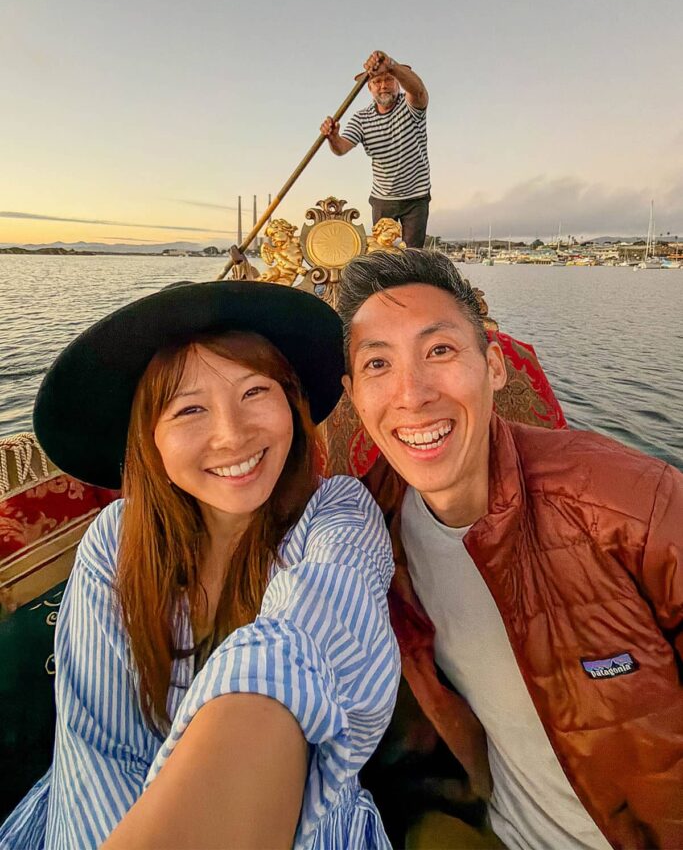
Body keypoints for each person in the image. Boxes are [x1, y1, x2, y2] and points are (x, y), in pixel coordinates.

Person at [0, 280, 399, 850]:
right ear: (150, 439)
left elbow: (307, 642)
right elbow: (98, 754)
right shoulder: (115, 543)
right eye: (189, 408)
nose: (231, 436)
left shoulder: (336, 518)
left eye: (255, 391)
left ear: (292, 403)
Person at [338, 249, 683, 850]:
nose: (411, 394)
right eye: (377, 364)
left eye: (439, 351)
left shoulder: (628, 504)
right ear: (353, 395)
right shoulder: (370, 532)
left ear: (494, 366)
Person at [320, 50, 431, 248]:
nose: (383, 86)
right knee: (380, 255)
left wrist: (391, 66)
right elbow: (341, 148)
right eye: (377, 82)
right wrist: (333, 137)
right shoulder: (361, 119)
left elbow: (419, 91)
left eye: (388, 80)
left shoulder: (410, 105)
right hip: (382, 198)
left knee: (414, 255)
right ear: (369, 88)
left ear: (397, 82)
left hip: (416, 196)